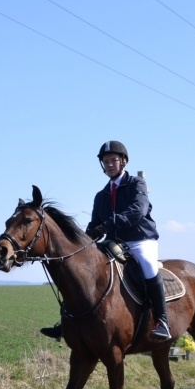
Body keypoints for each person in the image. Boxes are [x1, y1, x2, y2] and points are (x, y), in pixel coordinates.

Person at [40, 140, 172, 342]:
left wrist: (109, 224)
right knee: (82, 271)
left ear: (123, 162)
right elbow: (95, 224)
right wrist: (85, 239)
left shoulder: (137, 184)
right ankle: (67, 321)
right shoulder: (100, 196)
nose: (109, 164)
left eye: (113, 160)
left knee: (147, 263)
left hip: (140, 239)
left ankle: (162, 321)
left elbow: (138, 211)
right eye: (105, 161)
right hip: (114, 242)